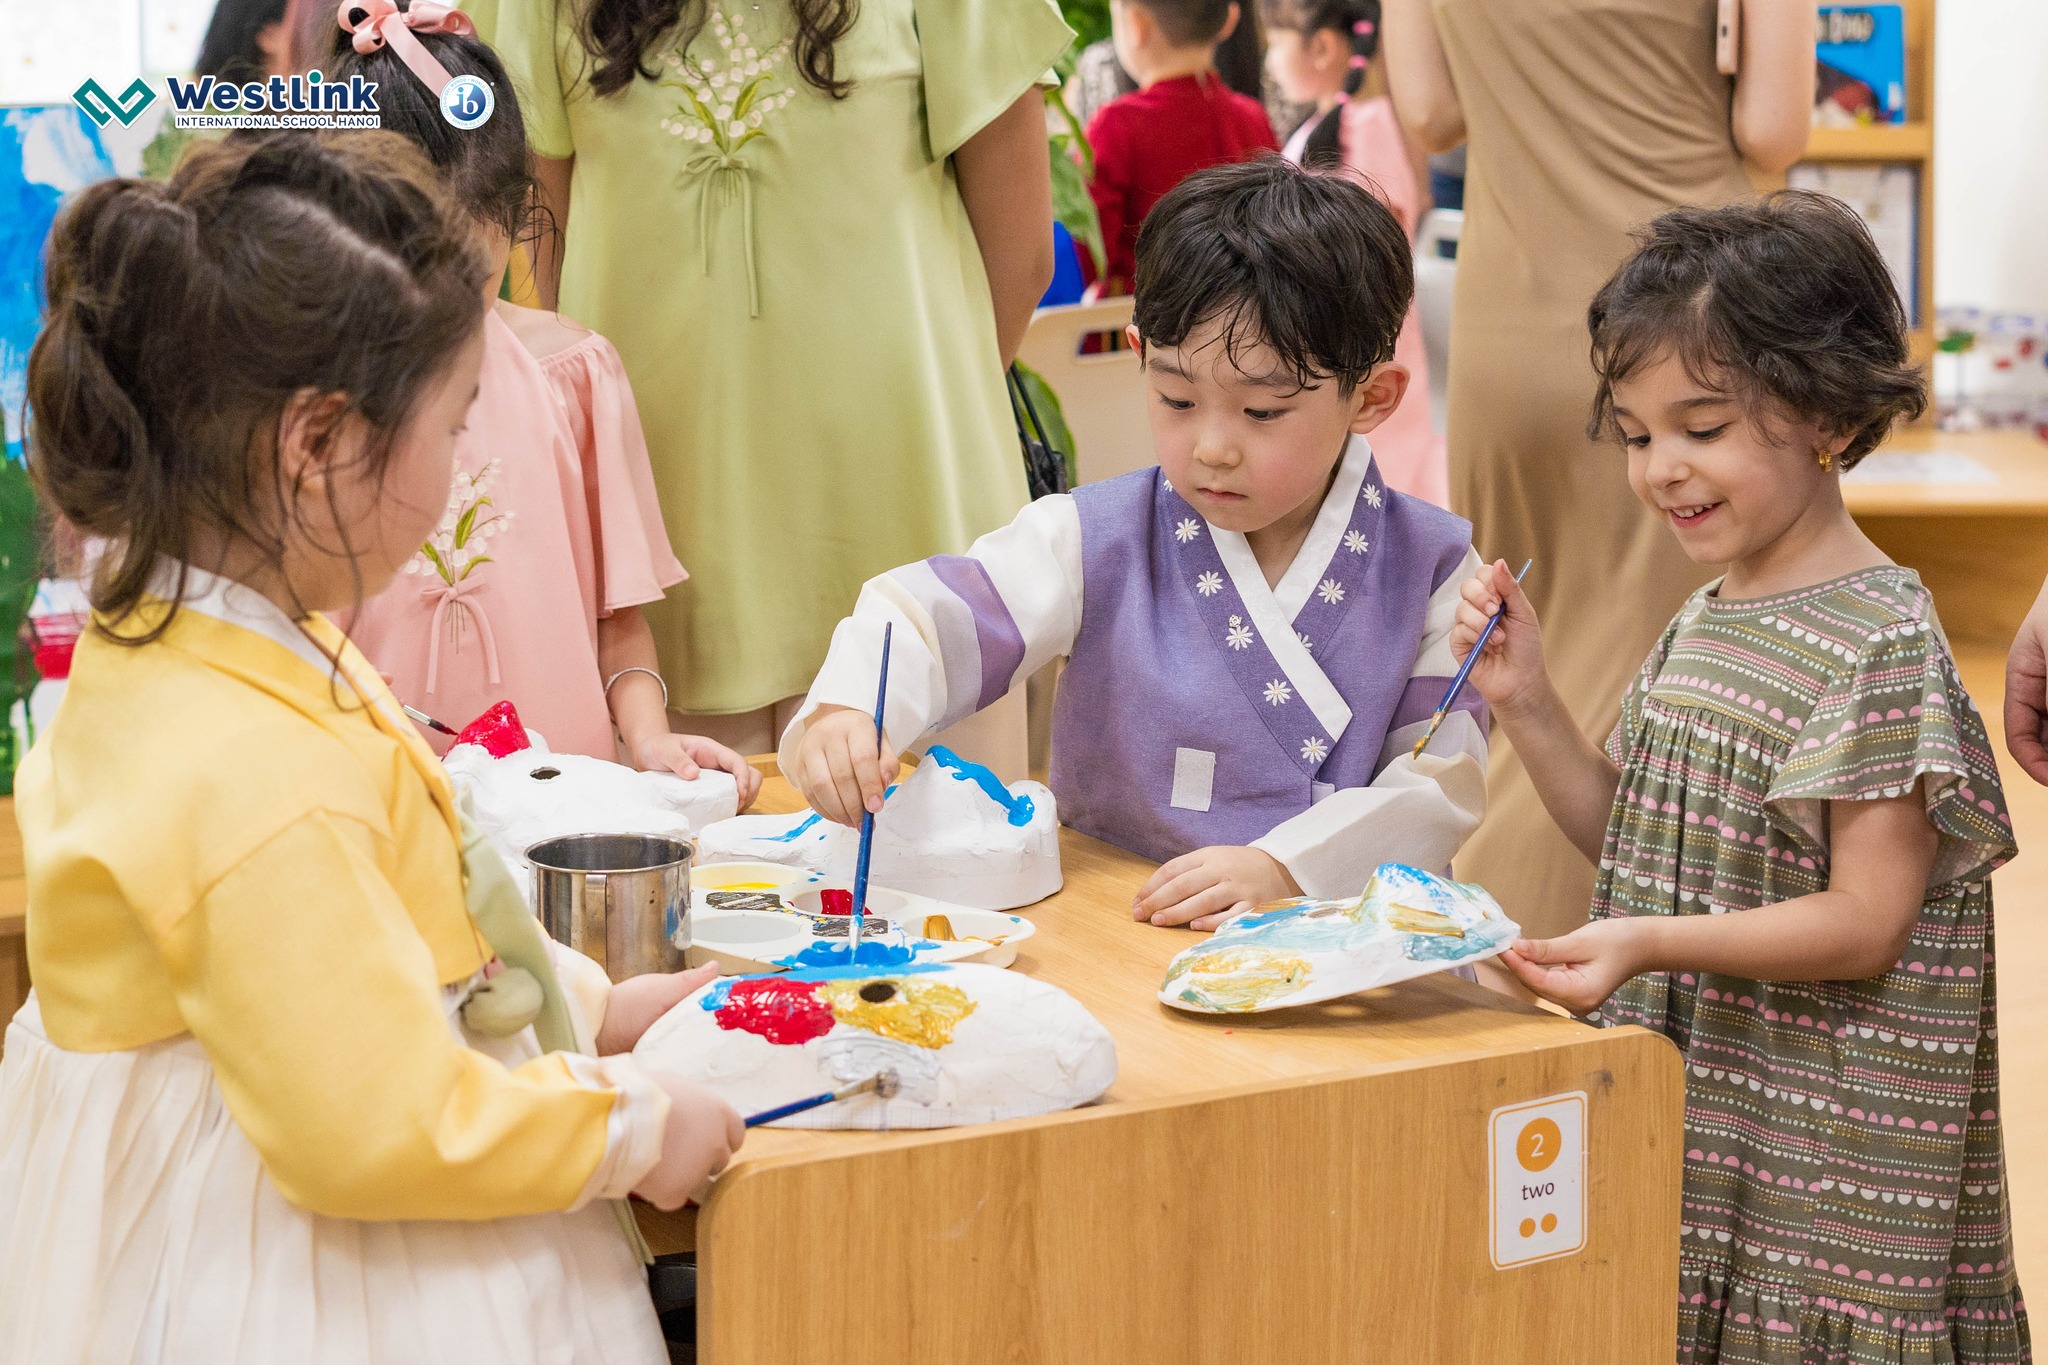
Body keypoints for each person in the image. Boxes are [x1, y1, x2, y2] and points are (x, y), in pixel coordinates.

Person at [0, 130, 743, 1364]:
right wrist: (624, 1125)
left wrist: (596, 1005)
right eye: (454, 426)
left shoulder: (212, 640)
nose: (463, 465)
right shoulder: (250, 766)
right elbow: (372, 1120)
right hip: (283, 1267)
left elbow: (406, 926)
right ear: (318, 443)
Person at [1452, 194, 2028, 1363]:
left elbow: (1866, 921)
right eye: (1633, 433)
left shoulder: (1879, 637)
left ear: (1822, 411)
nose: (1660, 469)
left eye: (1699, 428)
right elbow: (1638, 842)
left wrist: (1645, 943)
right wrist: (1527, 701)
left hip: (1828, 1179)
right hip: (1717, 1122)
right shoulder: (1704, 617)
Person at [790, 159, 1486, 928]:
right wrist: (852, 710)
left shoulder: (1437, 568)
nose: (1212, 446)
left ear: (1371, 396)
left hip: (1346, 956)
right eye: (1177, 398)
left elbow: (1438, 781)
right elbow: (930, 616)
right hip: (1118, 929)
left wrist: (1289, 868)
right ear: (1139, 353)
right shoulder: (1093, 535)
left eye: (1262, 412)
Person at [484, 0, 1072, 760]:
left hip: (841, 529)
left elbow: (1020, 262)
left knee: (865, 863)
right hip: (703, 551)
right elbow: (547, 260)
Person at [1381, 0, 1814, 943]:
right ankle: (1658, 986)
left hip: (1516, 320)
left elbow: (1430, 113)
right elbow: (1774, 129)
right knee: (1690, 675)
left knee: (1523, 665)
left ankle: (1499, 969)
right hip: (1698, 323)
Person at [327, 5, 758, 802]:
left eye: (473, 276)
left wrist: (651, 739)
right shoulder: (313, 400)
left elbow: (619, 623)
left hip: (563, 804)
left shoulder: (575, 373)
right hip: (375, 804)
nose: (449, 309)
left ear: (513, 212)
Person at [1262, 0, 1443, 506]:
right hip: (1328, 332)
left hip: (1367, 335)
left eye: (1277, 43)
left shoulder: (1369, 124)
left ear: (1321, 47)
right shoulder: (1318, 130)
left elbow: (1371, 243)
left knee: (1386, 463)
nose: (1269, 62)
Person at [1085, 0, 1279, 295]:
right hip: (1248, 318)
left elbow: (1089, 253)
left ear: (1136, 25)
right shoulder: (1253, 118)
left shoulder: (1115, 124)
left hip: (1140, 326)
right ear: (1229, 20)